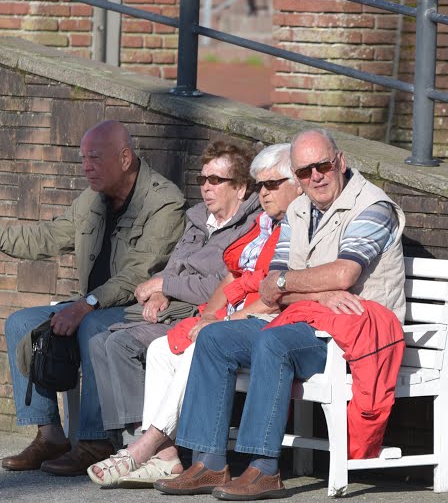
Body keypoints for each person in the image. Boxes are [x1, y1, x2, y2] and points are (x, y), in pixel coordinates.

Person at [153, 128, 405, 500]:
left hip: (350, 334)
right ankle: (206, 462)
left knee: (272, 342)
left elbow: (344, 274)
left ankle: (264, 468)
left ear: (340, 162)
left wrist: (295, 283)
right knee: (213, 337)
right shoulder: (300, 208)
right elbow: (273, 285)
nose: (315, 177)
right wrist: (313, 289)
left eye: (322, 166)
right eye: (304, 172)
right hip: (302, 318)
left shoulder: (373, 208)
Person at [0, 120, 187, 476]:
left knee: (91, 324)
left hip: (140, 310)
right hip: (92, 304)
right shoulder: (92, 201)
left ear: (125, 158)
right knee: (22, 323)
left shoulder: (164, 201)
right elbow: (47, 237)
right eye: (82, 159)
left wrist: (85, 305)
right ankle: (50, 435)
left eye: (94, 158)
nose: (86, 167)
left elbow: (139, 273)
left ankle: (95, 440)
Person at [87, 143, 302, 488]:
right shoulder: (255, 224)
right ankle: (167, 458)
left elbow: (273, 292)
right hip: (226, 314)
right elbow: (233, 276)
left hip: (266, 322)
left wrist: (216, 319)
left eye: (216, 179)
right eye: (202, 178)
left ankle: (145, 445)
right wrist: (208, 313)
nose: (206, 186)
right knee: (158, 350)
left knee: (199, 344)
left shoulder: (281, 225)